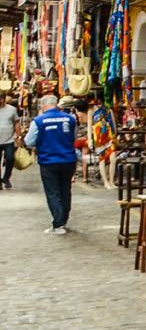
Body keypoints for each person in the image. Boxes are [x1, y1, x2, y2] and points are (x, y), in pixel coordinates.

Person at [25, 94, 79, 235]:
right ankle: (63, 221)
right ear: (56, 104)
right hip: (68, 160)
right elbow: (74, 137)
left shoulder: (38, 121)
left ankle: (58, 223)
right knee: (65, 190)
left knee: (53, 192)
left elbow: (29, 141)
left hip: (48, 161)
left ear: (43, 105)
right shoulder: (70, 119)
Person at [0, 92, 19, 189]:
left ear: (4, 99)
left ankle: (6, 178)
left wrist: (18, 136)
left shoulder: (12, 109)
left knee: (10, 158)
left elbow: (16, 123)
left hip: (9, 140)